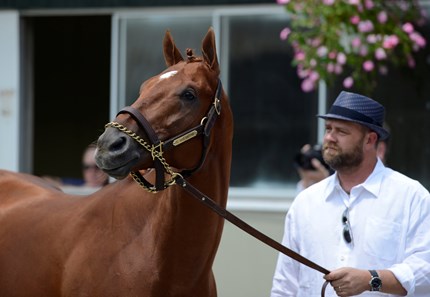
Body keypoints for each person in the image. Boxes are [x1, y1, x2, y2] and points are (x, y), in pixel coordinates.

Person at [271, 91, 430, 296]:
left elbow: (425, 268)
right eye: (328, 129)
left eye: (342, 131)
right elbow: (285, 283)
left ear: (370, 139)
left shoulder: (410, 196)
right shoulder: (306, 201)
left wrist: (370, 279)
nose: (329, 137)